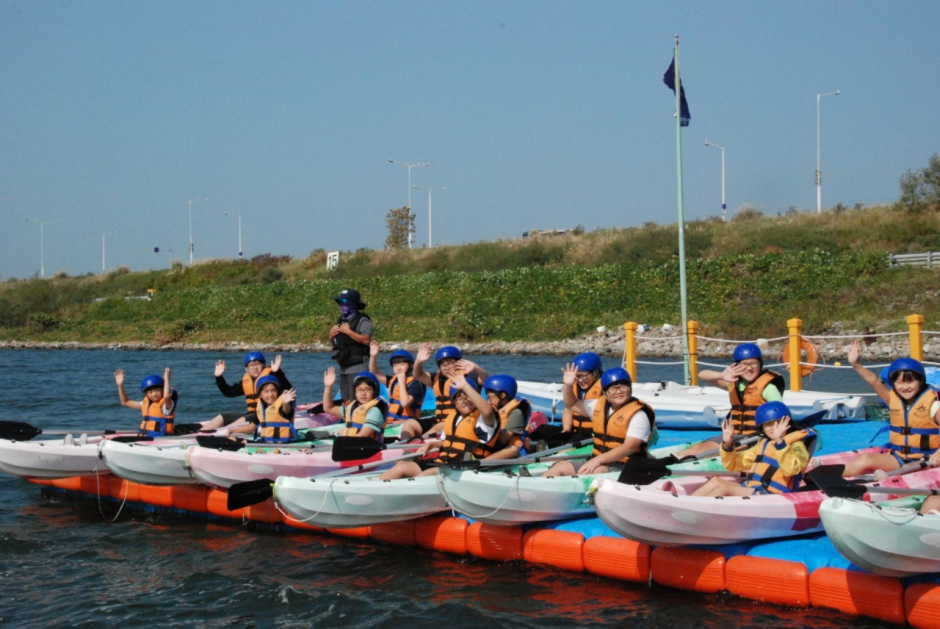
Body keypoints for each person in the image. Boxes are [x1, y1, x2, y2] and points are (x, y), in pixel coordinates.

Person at [837, 341, 940, 479]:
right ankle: (818, 479)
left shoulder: (934, 405)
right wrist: (855, 364)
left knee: (907, 469)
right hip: (898, 457)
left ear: (920, 382)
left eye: (910, 382)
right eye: (899, 382)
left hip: (928, 460)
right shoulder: (892, 400)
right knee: (866, 459)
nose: (905, 387)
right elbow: (874, 381)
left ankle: (883, 482)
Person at [378, 372, 505, 480]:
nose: (465, 401)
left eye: (468, 397)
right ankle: (375, 485)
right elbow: (445, 442)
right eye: (459, 398)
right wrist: (431, 445)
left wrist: (465, 386)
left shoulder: (484, 418)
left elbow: (487, 410)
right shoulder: (453, 417)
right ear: (454, 402)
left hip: (465, 469)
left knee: (426, 474)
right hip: (444, 463)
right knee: (402, 466)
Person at [670, 342, 785, 460]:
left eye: (753, 363)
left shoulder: (768, 389)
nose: (749, 368)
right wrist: (721, 375)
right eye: (744, 364)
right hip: (733, 434)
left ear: (760, 364)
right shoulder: (733, 383)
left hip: (756, 437)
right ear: (736, 366)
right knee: (697, 450)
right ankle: (671, 460)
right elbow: (702, 375)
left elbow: (781, 417)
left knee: (714, 453)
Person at [543, 366, 655, 478]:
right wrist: (568, 385)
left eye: (623, 387)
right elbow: (571, 404)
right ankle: (533, 490)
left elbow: (629, 447)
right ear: (605, 392)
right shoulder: (598, 405)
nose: (618, 392)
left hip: (626, 466)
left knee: (595, 471)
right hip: (599, 461)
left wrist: (597, 460)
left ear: (630, 388)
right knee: (560, 466)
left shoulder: (639, 414)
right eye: (613, 388)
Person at [691, 401, 815, 497]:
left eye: (778, 422)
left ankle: (692, 516)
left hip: (774, 496)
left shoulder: (797, 446)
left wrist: (779, 442)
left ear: (787, 423)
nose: (773, 428)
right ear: (762, 428)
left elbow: (791, 470)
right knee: (716, 481)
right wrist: (727, 444)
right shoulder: (763, 444)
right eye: (768, 424)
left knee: (722, 486)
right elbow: (734, 464)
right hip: (754, 489)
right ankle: (687, 508)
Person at [406, 342, 490, 440]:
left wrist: (476, 368)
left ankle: (416, 444)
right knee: (410, 424)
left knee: (439, 426)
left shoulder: (468, 376)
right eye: (443, 365)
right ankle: (403, 447)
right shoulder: (436, 378)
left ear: (459, 363)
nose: (447, 367)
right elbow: (418, 375)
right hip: (438, 420)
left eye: (450, 363)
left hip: (458, 421)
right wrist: (419, 361)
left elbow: (486, 381)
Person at [527, 352, 603, 448]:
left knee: (580, 436)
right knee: (543, 429)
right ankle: (526, 447)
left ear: (596, 372)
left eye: (583, 376)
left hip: (592, 433)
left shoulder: (605, 390)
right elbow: (568, 409)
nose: (580, 380)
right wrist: (566, 428)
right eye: (577, 376)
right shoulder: (575, 387)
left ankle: (554, 453)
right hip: (575, 429)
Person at [203, 351, 292, 430]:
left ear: (264, 365)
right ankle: (200, 432)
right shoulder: (246, 381)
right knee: (221, 417)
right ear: (246, 369)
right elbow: (228, 392)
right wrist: (219, 377)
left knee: (245, 418)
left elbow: (287, 388)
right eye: (251, 365)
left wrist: (277, 372)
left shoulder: (272, 378)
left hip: (267, 414)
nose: (255, 368)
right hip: (251, 414)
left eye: (258, 364)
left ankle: (224, 432)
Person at [367, 342, 426, 430]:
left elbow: (405, 403)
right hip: (391, 421)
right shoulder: (394, 380)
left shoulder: (416, 383)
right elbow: (374, 373)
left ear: (411, 365)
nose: (398, 368)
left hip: (406, 424)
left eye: (402, 364)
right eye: (395, 365)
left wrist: (402, 381)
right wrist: (373, 356)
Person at [329, 288, 373, 403]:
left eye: (345, 302)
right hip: (344, 367)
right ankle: (347, 417)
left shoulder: (363, 320)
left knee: (356, 399)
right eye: (340, 302)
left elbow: (366, 340)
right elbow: (337, 345)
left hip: (359, 366)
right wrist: (331, 337)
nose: (342, 306)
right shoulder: (341, 321)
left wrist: (349, 332)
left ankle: (360, 416)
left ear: (354, 304)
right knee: (346, 399)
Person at [323, 367, 389, 441]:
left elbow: (363, 435)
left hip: (366, 447)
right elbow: (328, 408)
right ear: (355, 392)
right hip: (352, 445)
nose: (363, 393)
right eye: (359, 390)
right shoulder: (352, 408)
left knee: (338, 443)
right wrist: (328, 387)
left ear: (374, 391)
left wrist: (343, 442)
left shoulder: (375, 410)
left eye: (367, 389)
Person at [228, 374, 298, 443]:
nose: (270, 395)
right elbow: (251, 428)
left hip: (281, 445)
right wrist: (232, 431)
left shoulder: (281, 405)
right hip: (266, 443)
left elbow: (286, 411)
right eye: (266, 391)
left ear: (277, 391)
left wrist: (286, 403)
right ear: (260, 395)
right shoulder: (261, 408)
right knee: (235, 440)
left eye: (273, 390)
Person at [114, 367, 178, 437]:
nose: (154, 394)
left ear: (163, 390)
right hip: (144, 437)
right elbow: (125, 402)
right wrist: (120, 385)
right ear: (146, 394)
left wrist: (166, 379)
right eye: (150, 392)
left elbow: (166, 397)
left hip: (160, 439)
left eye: (157, 390)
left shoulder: (167, 406)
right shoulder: (146, 404)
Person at [482, 374, 530, 459]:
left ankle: (480, 463)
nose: (488, 400)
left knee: (512, 450)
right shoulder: (496, 409)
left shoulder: (516, 413)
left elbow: (503, 440)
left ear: (503, 395)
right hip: (493, 445)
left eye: (490, 397)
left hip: (508, 449)